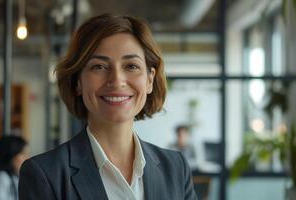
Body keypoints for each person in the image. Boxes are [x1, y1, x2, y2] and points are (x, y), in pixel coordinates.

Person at [19, 14, 197, 200]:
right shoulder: (45, 174)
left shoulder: (176, 168)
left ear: (149, 80)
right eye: (99, 67)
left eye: (131, 66)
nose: (117, 80)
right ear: (78, 81)